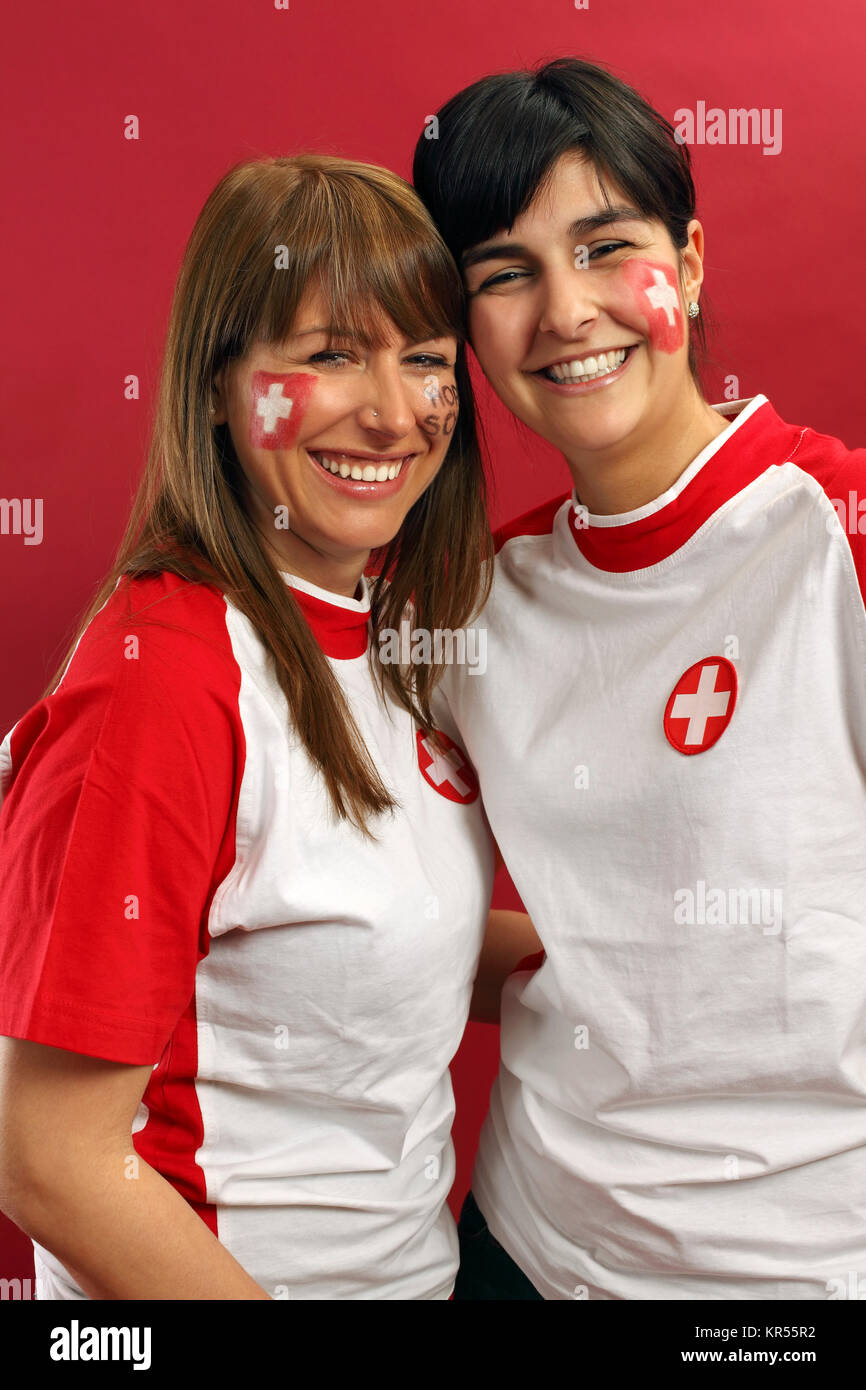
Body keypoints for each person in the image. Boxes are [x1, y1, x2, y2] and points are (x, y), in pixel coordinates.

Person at [0, 153, 538, 1301]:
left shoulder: (393, 635)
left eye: (426, 360)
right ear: (214, 384)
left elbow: (356, 941)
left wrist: (678, 952)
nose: (393, 411)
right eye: (329, 355)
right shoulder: (163, 682)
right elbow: (46, 1158)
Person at [412, 57, 866, 1299]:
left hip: (788, 1282)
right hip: (523, 1245)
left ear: (692, 263)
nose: (565, 311)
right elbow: (382, 901)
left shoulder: (838, 537)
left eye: (608, 247)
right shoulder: (472, 605)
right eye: (504, 274)